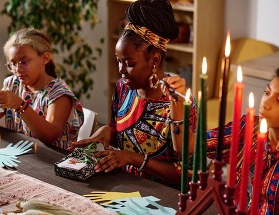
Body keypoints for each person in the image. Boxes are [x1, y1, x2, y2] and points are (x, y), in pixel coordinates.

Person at [70, 0, 197, 189]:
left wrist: (134, 159)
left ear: (154, 59)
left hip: (164, 198)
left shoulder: (179, 102)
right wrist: (106, 132)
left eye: (129, 64)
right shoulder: (123, 88)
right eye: (118, 61)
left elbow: (187, 175)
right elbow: (120, 131)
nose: (121, 70)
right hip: (124, 189)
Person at [0, 28, 84, 149]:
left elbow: (50, 136)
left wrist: (19, 105)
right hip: (22, 155)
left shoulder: (59, 94)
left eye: (24, 62)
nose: (17, 69)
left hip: (52, 161)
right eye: (13, 63)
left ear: (45, 58)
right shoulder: (13, 84)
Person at [186, 68, 279, 214]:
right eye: (267, 93)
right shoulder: (248, 129)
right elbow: (190, 144)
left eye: (278, 100)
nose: (265, 103)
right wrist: (179, 105)